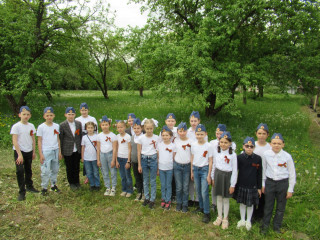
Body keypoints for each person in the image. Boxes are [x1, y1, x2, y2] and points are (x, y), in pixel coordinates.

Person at [261, 133, 296, 234]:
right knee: (268, 206)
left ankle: (276, 226)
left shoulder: (287, 157)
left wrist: (290, 189)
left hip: (282, 183)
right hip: (270, 182)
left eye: (279, 143)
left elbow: (292, 173)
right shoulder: (266, 154)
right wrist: (263, 184)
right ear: (270, 144)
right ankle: (265, 226)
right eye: (274, 143)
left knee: (280, 207)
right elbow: (263, 170)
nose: (276, 145)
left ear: (283, 145)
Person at [10, 106, 39, 201]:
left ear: (30, 115)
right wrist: (19, 155)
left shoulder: (31, 126)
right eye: (24, 114)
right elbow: (14, 141)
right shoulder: (16, 126)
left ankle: (29, 186)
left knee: (28, 169)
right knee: (20, 171)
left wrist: (34, 151)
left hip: (29, 151)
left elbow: (33, 139)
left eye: (27, 114)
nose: (26, 116)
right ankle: (22, 192)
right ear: (19, 115)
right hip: (19, 152)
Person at [234, 137, 262, 231]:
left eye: (251, 146)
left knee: (250, 204)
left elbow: (259, 174)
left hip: (252, 186)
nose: (249, 148)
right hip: (242, 184)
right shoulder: (239, 158)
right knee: (242, 203)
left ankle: (248, 220)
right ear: (243, 146)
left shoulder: (258, 159)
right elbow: (235, 171)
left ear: (254, 147)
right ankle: (242, 219)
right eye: (247, 146)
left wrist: (259, 187)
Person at [212, 131, 237, 229]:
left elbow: (235, 170)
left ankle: (225, 218)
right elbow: (214, 165)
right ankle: (219, 216)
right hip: (218, 175)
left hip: (227, 177)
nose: (223, 144)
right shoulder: (216, 152)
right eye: (221, 142)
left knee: (226, 199)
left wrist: (232, 185)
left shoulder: (233, 155)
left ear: (230, 143)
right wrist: (213, 177)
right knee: (218, 197)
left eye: (226, 142)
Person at [209, 124, 236, 211]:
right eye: (217, 133)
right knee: (215, 191)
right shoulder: (212, 143)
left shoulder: (232, 148)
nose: (218, 135)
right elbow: (213, 160)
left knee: (225, 194)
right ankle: (214, 204)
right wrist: (212, 175)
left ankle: (225, 212)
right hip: (216, 169)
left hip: (226, 172)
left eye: (220, 133)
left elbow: (233, 167)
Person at [37, 107, 62, 196]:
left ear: (54, 116)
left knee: (55, 169)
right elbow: (39, 141)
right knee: (45, 171)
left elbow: (58, 139)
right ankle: (44, 187)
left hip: (55, 150)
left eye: (51, 115)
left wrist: (59, 151)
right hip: (46, 151)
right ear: (44, 116)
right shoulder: (41, 127)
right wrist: (41, 154)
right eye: (47, 115)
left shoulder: (56, 126)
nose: (49, 117)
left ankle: (53, 185)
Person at [191, 124, 213, 223]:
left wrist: (209, 175)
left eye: (201, 134)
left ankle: (207, 212)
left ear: (205, 134)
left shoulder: (208, 146)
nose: (199, 136)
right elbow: (192, 157)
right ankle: (201, 207)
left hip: (204, 169)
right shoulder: (194, 144)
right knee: (198, 189)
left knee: (204, 192)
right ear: (195, 134)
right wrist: (192, 170)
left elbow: (210, 160)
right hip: (195, 168)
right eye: (198, 134)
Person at [137, 118, 159, 209]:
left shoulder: (157, 138)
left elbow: (158, 151)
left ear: (153, 128)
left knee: (153, 180)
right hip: (144, 159)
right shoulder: (141, 138)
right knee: (145, 180)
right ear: (144, 128)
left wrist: (158, 165)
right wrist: (139, 164)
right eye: (147, 129)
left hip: (153, 159)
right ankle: (146, 197)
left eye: (151, 129)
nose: (149, 130)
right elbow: (139, 152)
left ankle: (152, 199)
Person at [59, 107, 82, 190]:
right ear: (65, 115)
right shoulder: (62, 125)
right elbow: (61, 138)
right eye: (69, 114)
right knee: (69, 167)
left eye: (72, 114)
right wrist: (60, 151)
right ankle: (71, 182)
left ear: (75, 115)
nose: (71, 116)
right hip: (67, 149)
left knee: (76, 166)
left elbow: (80, 136)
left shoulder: (78, 124)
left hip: (77, 149)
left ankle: (77, 181)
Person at [76, 102, 98, 185]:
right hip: (82, 138)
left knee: (92, 157)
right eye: (82, 110)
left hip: (92, 138)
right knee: (86, 157)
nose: (84, 112)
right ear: (80, 111)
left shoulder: (92, 119)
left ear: (88, 110)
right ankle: (88, 175)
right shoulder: (77, 119)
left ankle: (92, 176)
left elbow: (96, 131)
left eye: (85, 110)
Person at [253, 123, 271, 221]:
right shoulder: (252, 145)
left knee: (262, 196)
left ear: (267, 135)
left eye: (264, 133)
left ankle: (260, 214)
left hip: (265, 174)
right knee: (253, 193)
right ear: (256, 134)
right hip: (253, 174)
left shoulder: (270, 147)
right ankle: (252, 213)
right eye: (259, 133)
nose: (261, 136)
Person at [173, 122, 192, 213]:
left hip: (187, 166)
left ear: (186, 131)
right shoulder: (176, 140)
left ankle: (185, 204)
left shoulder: (191, 141)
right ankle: (179, 203)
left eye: (184, 131)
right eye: (180, 131)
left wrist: (192, 168)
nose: (182, 133)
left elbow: (192, 155)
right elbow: (174, 152)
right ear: (177, 131)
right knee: (179, 186)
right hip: (177, 165)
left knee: (185, 186)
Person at [97, 116, 117, 197]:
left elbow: (115, 149)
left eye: (106, 124)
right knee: (104, 172)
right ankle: (107, 187)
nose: (105, 126)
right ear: (100, 126)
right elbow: (98, 148)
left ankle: (114, 187)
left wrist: (113, 160)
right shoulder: (99, 136)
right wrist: (98, 159)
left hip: (110, 154)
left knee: (112, 172)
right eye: (103, 125)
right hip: (102, 154)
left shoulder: (113, 135)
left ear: (109, 125)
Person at [157, 126, 176, 210]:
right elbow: (158, 157)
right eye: (163, 135)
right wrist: (157, 168)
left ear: (170, 136)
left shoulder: (173, 146)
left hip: (169, 168)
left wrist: (173, 169)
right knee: (163, 184)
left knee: (168, 185)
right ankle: (163, 198)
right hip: (161, 168)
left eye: (167, 135)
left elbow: (174, 158)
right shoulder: (159, 145)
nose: (165, 137)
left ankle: (168, 200)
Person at [116, 120, 133, 197]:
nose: (120, 129)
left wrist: (129, 161)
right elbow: (116, 148)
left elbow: (130, 149)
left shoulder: (128, 137)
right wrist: (116, 160)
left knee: (127, 175)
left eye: (121, 127)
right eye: (118, 127)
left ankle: (129, 190)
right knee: (122, 176)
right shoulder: (117, 137)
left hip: (126, 158)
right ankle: (124, 189)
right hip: (120, 158)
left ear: (125, 127)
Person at [81, 122, 100, 191]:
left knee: (96, 172)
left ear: (94, 128)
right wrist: (82, 157)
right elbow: (83, 147)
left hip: (95, 157)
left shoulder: (97, 136)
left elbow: (98, 147)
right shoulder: (84, 137)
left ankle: (97, 184)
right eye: (88, 128)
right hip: (87, 158)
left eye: (91, 128)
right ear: (86, 128)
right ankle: (92, 184)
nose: (90, 129)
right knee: (89, 172)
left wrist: (98, 158)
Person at [131, 118, 144, 201]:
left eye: (138, 128)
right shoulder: (132, 137)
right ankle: (139, 192)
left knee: (143, 178)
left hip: (142, 161)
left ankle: (144, 193)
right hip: (134, 161)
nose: (136, 130)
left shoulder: (144, 137)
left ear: (141, 128)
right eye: (135, 128)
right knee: (137, 177)